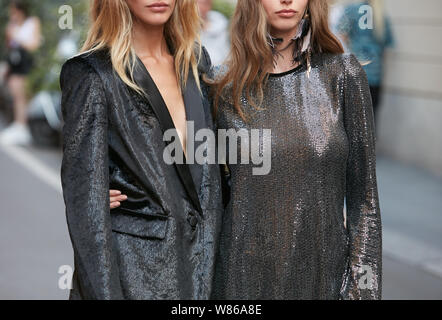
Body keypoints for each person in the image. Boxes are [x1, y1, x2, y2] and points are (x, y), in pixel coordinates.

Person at [111, 0, 382, 300]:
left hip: (322, 280)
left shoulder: (342, 76)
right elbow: (191, 179)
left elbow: (365, 202)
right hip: (238, 282)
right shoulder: (223, 87)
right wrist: (113, 185)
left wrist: (362, 292)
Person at [60, 0, 224, 300]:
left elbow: (206, 179)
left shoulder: (197, 64)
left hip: (202, 275)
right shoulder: (92, 74)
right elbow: (86, 213)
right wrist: (93, 194)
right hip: (133, 276)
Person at [336, 0, 394, 122]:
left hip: (355, 73)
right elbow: (386, 45)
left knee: (353, 123)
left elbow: (340, 35)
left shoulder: (351, 10)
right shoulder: (381, 15)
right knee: (370, 122)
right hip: (376, 75)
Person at [0, 0, 41, 145]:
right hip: (15, 64)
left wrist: (17, 36)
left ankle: (22, 127)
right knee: (16, 96)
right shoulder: (14, 25)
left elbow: (33, 45)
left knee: (22, 97)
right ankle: (18, 125)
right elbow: (9, 44)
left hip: (26, 65)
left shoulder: (32, 22)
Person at [197, 0, 230, 65]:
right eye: (199, 3)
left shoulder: (220, 23)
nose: (201, 7)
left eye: (206, 4)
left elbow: (227, 53)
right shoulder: (185, 28)